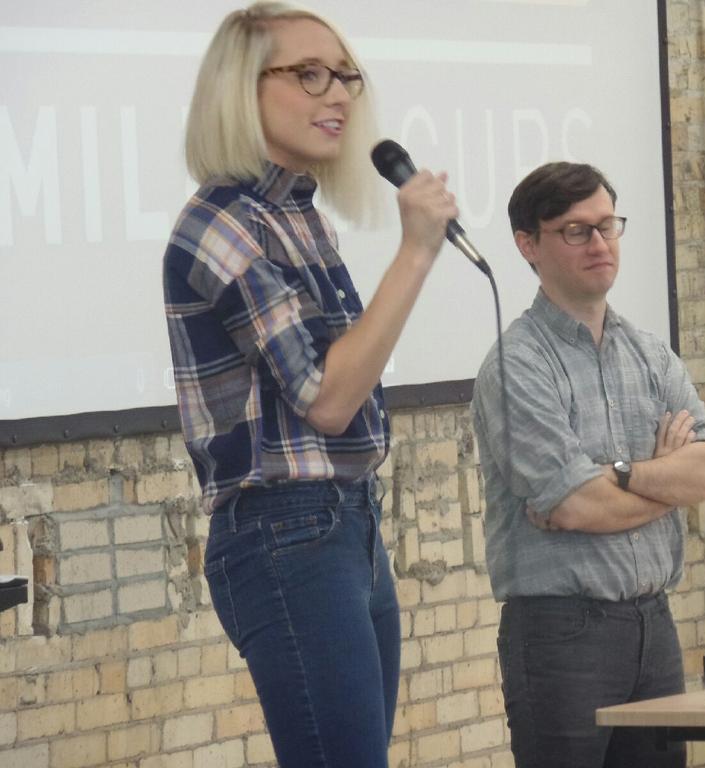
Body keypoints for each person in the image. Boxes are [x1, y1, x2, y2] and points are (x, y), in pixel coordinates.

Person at [162, 3, 458, 766]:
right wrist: (416, 253)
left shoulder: (299, 217)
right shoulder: (222, 223)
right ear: (240, 87)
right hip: (284, 531)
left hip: (349, 522)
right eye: (310, 74)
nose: (339, 96)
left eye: (346, 77)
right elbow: (328, 398)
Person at [472, 162, 705, 768]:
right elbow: (574, 504)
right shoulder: (517, 365)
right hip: (563, 634)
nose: (599, 243)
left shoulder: (650, 353)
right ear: (528, 245)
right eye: (575, 230)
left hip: (654, 624)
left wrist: (618, 474)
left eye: (608, 225)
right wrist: (668, 478)